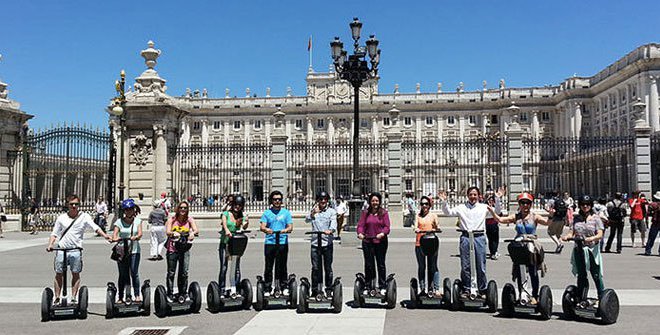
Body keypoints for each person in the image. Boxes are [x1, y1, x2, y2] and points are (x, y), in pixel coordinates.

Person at [46, 194, 112, 304]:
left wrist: (105, 236)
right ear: (67, 205)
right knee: (59, 273)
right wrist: (50, 244)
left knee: (75, 273)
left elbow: (95, 227)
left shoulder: (84, 216)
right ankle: (57, 298)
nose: (74, 206)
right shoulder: (61, 218)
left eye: (76, 204)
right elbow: (54, 233)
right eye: (71, 204)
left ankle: (73, 297)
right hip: (62, 249)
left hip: (75, 250)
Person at [488, 192, 549, 305]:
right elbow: (501, 220)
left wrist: (552, 215)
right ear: (519, 204)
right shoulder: (516, 216)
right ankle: (523, 294)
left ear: (531, 204)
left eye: (527, 203)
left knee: (532, 271)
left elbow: (547, 223)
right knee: (520, 271)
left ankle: (535, 296)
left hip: (531, 245)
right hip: (519, 246)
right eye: (522, 203)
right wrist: (493, 213)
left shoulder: (535, 216)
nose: (525, 205)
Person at [439, 187, 490, 299]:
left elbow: (496, 212)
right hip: (466, 237)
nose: (473, 197)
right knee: (465, 265)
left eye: (475, 194)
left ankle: (482, 289)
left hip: (479, 237)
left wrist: (498, 198)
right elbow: (448, 212)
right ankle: (467, 288)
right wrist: (444, 201)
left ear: (478, 196)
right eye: (471, 194)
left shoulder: (484, 207)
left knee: (480, 265)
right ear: (467, 196)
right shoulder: (461, 207)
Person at [561, 195, 606, 300]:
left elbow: (600, 234)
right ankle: (581, 297)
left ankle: (602, 297)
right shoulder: (576, 219)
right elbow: (571, 232)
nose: (585, 206)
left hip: (591, 250)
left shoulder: (596, 218)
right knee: (581, 275)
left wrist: (590, 239)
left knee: (596, 274)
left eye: (587, 204)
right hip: (579, 249)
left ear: (591, 205)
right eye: (583, 204)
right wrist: (566, 237)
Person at [259, 190, 293, 294]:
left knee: (282, 265)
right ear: (271, 200)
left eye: (279, 199)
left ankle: (284, 286)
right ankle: (268, 287)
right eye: (275, 199)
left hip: (282, 242)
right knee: (269, 266)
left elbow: (290, 226)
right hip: (270, 242)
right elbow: (262, 226)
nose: (277, 201)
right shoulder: (267, 213)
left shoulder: (286, 213)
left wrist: (286, 230)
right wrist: (266, 229)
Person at [357, 192, 391, 295]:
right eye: (373, 201)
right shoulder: (365, 213)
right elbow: (360, 225)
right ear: (370, 202)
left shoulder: (384, 213)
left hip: (380, 242)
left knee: (380, 264)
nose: (374, 203)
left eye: (376, 201)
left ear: (379, 202)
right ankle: (368, 285)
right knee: (369, 264)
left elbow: (387, 227)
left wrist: (382, 233)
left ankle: (382, 285)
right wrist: (360, 233)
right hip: (368, 241)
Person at [165, 200, 199, 300]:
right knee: (171, 272)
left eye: (185, 208)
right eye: (181, 208)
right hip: (173, 249)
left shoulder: (189, 220)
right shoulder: (172, 219)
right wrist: (172, 233)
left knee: (184, 272)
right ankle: (170, 293)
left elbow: (196, 230)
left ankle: (183, 292)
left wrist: (193, 233)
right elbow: (167, 231)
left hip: (185, 249)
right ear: (178, 209)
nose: (183, 210)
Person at [305, 192, 337, 296]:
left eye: (325, 199)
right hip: (315, 243)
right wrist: (313, 213)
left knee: (328, 267)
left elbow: (333, 223)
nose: (323, 201)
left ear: (327, 200)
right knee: (315, 268)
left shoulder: (331, 211)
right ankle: (315, 290)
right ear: (317, 200)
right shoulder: (314, 211)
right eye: (321, 199)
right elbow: (306, 220)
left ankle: (328, 289)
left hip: (327, 243)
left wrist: (331, 230)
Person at [112, 199, 143, 304]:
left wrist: (136, 237)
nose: (128, 211)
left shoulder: (137, 221)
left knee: (134, 272)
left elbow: (140, 233)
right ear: (124, 211)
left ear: (133, 210)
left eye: (130, 209)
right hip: (122, 251)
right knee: (123, 274)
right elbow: (115, 234)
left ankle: (137, 295)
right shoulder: (119, 222)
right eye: (126, 209)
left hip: (134, 250)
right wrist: (115, 238)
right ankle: (121, 296)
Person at [218, 195, 249, 292]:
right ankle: (222, 289)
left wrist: (246, 222)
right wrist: (227, 230)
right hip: (225, 243)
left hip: (236, 244)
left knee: (236, 267)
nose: (237, 207)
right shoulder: (226, 214)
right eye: (236, 204)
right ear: (233, 204)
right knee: (224, 267)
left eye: (240, 205)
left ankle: (236, 288)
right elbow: (224, 224)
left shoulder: (242, 216)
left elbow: (244, 227)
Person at [414, 195, 441, 297]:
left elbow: (437, 226)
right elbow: (415, 226)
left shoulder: (433, 215)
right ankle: (422, 288)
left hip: (432, 243)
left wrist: (436, 228)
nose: (424, 206)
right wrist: (416, 229)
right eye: (422, 204)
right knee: (422, 266)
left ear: (429, 205)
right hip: (420, 243)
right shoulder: (418, 216)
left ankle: (436, 288)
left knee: (433, 266)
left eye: (426, 204)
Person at [485, 188, 504, 260]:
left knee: (495, 239)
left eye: (492, 200)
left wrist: (497, 198)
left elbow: (498, 210)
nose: (491, 201)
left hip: (494, 224)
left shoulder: (494, 208)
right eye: (489, 200)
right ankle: (493, 252)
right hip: (488, 225)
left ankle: (494, 251)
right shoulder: (485, 208)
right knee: (491, 239)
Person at [644, 192, 660, 256]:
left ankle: (648, 250)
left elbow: (648, 213)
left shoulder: (652, 204)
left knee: (651, 237)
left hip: (655, 222)